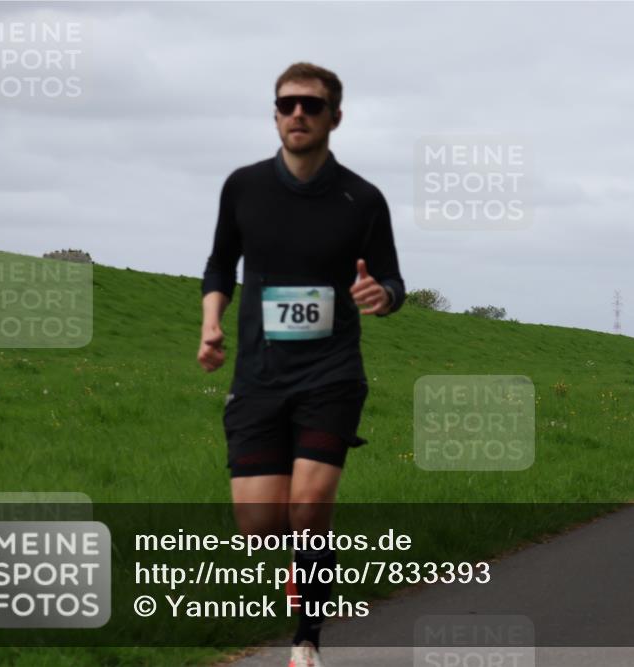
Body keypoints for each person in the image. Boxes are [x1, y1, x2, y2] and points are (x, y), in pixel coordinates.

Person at [198, 62, 405, 667]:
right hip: (259, 376)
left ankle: (306, 641)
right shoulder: (244, 187)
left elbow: (392, 279)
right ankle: (301, 561)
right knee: (260, 524)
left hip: (331, 373)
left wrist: (382, 296)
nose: (297, 113)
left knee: (309, 510)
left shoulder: (362, 199)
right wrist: (211, 323)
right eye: (287, 103)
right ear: (275, 113)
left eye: (311, 105)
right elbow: (220, 264)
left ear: (334, 117)